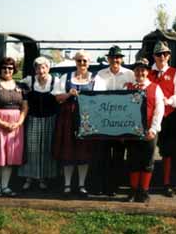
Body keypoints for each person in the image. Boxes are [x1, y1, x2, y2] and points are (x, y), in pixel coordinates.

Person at [92, 45, 134, 196]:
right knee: (102, 155)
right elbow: (96, 95)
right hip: (104, 121)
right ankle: (101, 186)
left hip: (121, 122)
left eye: (118, 57)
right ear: (108, 59)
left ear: (121, 59)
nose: (115, 60)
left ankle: (114, 187)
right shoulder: (100, 74)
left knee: (118, 156)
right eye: (112, 57)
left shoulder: (130, 74)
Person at [0, 57, 28, 197]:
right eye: (4, 67)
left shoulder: (21, 86)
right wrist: (1, 123)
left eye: (10, 68)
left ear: (14, 70)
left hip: (15, 125)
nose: (7, 70)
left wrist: (19, 122)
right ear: (0, 69)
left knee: (10, 156)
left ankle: (5, 186)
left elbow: (25, 107)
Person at [52, 50, 94, 197]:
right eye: (79, 61)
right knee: (68, 152)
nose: (82, 63)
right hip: (68, 117)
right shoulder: (66, 77)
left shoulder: (95, 78)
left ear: (89, 62)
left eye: (84, 61)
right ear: (75, 62)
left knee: (84, 152)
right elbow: (58, 98)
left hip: (87, 119)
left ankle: (82, 185)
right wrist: (69, 94)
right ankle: (67, 185)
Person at [125, 58, 164, 203]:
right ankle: (133, 191)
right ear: (134, 72)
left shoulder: (155, 88)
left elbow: (159, 110)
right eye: (137, 70)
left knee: (147, 161)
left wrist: (153, 129)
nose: (140, 72)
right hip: (132, 131)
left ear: (147, 72)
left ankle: (144, 191)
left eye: (143, 69)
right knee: (133, 160)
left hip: (149, 131)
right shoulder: (127, 87)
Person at [148, 41, 176, 197]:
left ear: (169, 56)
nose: (162, 57)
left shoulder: (175, 73)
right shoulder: (147, 73)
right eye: (158, 54)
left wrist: (167, 101)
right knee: (148, 150)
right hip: (150, 118)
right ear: (153, 56)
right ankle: (144, 184)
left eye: (164, 54)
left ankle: (167, 183)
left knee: (168, 151)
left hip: (168, 117)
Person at [18, 56, 59, 190]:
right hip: (33, 119)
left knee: (46, 149)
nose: (41, 70)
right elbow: (14, 86)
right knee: (31, 149)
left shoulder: (55, 81)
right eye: (38, 67)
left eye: (44, 67)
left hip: (50, 119)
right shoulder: (29, 81)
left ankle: (43, 178)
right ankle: (29, 178)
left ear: (48, 68)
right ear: (35, 69)